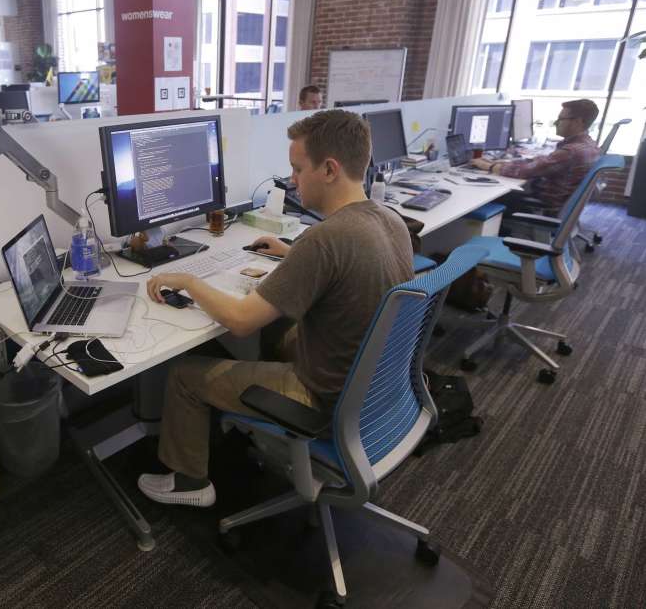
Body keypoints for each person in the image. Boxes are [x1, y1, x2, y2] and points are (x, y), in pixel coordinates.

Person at [137, 110, 415, 507]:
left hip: (325, 396)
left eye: (298, 169)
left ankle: (190, 482)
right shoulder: (389, 220)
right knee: (278, 326)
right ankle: (259, 424)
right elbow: (343, 265)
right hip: (373, 385)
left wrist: (190, 281)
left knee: (183, 374)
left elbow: (240, 321)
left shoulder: (325, 239)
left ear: (330, 170)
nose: (292, 180)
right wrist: (292, 253)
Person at [470, 99, 600, 214]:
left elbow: (525, 172)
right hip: (562, 206)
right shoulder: (589, 145)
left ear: (578, 121)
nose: (556, 123)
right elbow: (543, 164)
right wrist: (504, 163)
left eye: (561, 119)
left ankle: (499, 237)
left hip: (545, 207)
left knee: (489, 195)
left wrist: (489, 166)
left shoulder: (570, 152)